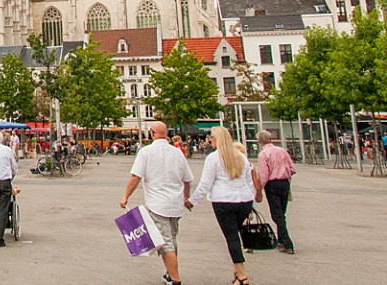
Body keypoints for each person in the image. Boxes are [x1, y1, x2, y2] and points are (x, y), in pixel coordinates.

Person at [119, 122, 194, 285]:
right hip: (176, 204)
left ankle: (175, 279)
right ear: (166, 133)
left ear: (152, 133)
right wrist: (186, 197)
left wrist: (125, 196)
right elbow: (187, 179)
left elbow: (136, 176)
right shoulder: (177, 153)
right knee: (172, 239)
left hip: (158, 204)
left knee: (165, 243)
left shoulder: (146, 152)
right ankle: (169, 273)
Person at [186, 126, 260, 285]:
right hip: (244, 200)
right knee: (235, 233)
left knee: (232, 237)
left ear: (218, 139)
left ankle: (242, 275)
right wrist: (251, 198)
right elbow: (249, 181)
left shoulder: (213, 158)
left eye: (211, 137)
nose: (209, 140)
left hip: (223, 201)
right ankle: (237, 272)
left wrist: (192, 201)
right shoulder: (241, 157)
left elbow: (205, 184)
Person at [256, 130, 296, 255]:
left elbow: (264, 175)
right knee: (281, 213)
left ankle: (287, 243)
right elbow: (292, 168)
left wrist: (259, 189)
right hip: (284, 183)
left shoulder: (263, 155)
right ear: (270, 139)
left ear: (259, 141)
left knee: (277, 214)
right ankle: (281, 240)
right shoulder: (282, 151)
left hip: (272, 184)